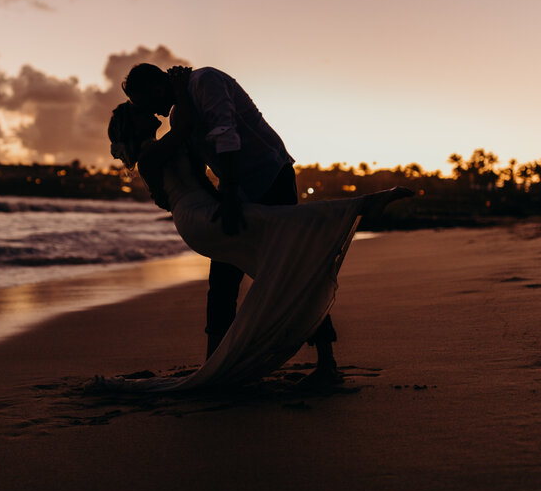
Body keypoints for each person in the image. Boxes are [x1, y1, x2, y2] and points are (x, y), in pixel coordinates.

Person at [105, 101, 412, 391]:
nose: (144, 110)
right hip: (200, 218)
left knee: (285, 262)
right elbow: (183, 132)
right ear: (133, 125)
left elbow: (180, 177)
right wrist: (181, 87)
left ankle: (223, 365)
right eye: (136, 109)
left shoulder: (166, 147)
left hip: (207, 212)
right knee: (286, 232)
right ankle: (361, 206)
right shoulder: (151, 154)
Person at [123, 63, 347, 382]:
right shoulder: (178, 114)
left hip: (269, 177)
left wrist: (227, 194)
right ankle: (215, 365)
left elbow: (226, 133)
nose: (153, 114)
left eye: (145, 103)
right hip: (237, 189)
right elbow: (197, 162)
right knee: (223, 277)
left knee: (291, 267)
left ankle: (327, 361)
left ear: (156, 87)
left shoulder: (205, 81)